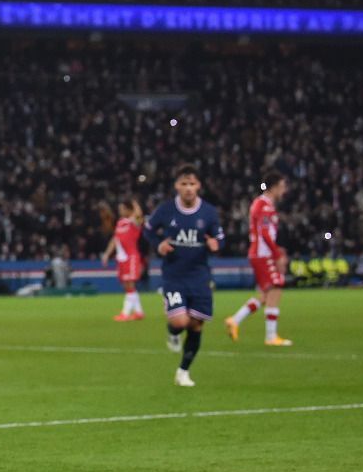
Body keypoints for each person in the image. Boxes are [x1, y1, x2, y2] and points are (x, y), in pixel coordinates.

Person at [144, 165, 224, 387]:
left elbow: (219, 237)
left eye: (192, 184)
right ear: (176, 186)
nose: (188, 188)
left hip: (199, 275)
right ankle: (173, 331)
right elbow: (148, 230)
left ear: (198, 186)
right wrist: (158, 244)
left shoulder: (208, 212)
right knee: (180, 321)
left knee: (197, 325)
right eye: (184, 184)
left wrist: (215, 244)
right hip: (174, 275)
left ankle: (183, 372)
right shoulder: (166, 210)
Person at [226, 172, 293, 347]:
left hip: (261, 253)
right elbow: (264, 233)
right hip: (263, 254)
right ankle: (271, 336)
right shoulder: (264, 205)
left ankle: (235, 320)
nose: (284, 189)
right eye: (283, 185)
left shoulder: (264, 204)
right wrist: (277, 255)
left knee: (265, 295)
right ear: (276, 186)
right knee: (276, 287)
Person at [102, 198, 146, 321]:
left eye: (122, 209)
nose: (120, 211)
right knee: (127, 286)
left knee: (130, 284)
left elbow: (139, 214)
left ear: (128, 210)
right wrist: (106, 254)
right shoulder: (121, 223)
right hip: (121, 258)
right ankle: (139, 312)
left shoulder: (134, 222)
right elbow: (115, 239)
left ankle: (125, 313)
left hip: (131, 257)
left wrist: (134, 203)